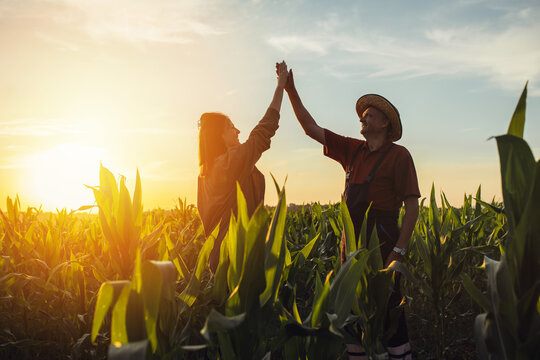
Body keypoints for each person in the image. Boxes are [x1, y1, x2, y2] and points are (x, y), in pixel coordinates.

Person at [283, 68, 420, 360]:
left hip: (383, 240)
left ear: (385, 123)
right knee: (352, 311)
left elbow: (412, 207)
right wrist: (290, 91)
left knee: (389, 309)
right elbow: (310, 128)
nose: (363, 118)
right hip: (352, 242)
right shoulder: (351, 150)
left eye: (370, 114)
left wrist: (399, 249)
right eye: (363, 115)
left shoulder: (400, 156)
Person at [197, 61, 289, 273]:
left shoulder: (208, 171)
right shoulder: (227, 165)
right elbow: (264, 131)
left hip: (224, 260)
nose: (238, 131)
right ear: (217, 136)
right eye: (231, 127)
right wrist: (280, 85)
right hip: (235, 260)